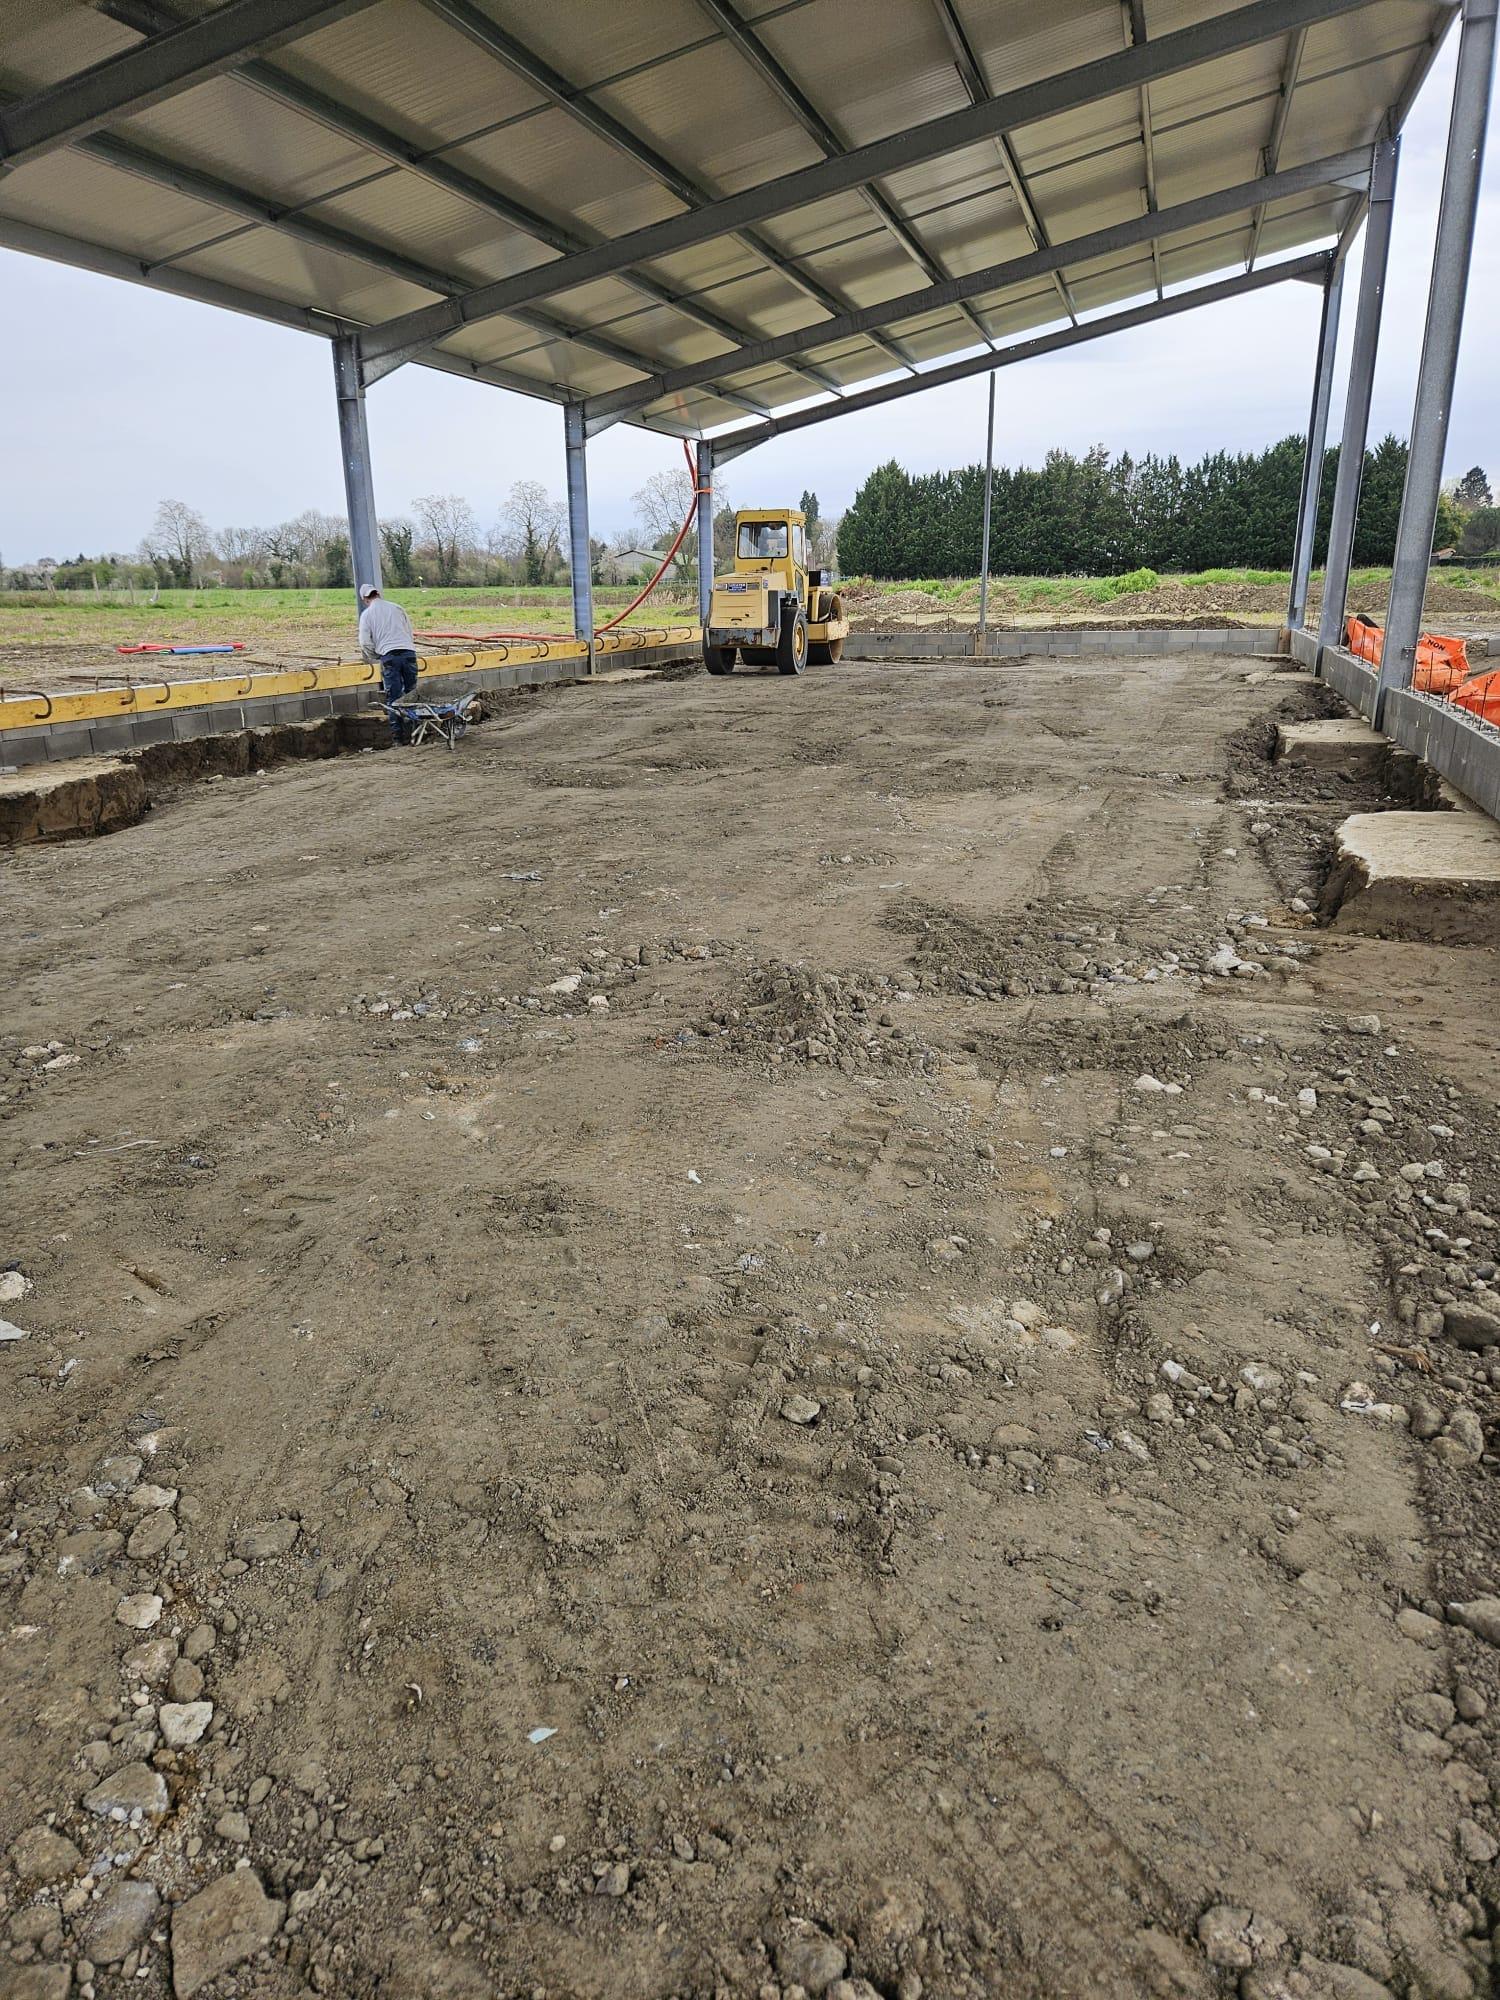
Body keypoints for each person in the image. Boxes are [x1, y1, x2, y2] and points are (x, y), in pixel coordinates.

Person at [358, 584, 420, 743]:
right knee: (412, 694)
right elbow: (409, 632)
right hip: (409, 654)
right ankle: (416, 733)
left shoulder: (367, 615)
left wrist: (376, 656)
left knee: (393, 698)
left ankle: (398, 738)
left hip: (389, 657)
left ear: (365, 599)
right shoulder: (397, 608)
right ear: (378, 594)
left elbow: (365, 642)